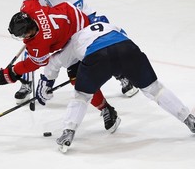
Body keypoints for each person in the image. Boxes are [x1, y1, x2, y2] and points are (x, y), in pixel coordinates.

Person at [37, 20, 195, 152]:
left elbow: (55, 62)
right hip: (126, 48)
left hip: (97, 56)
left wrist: (47, 82)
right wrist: (121, 70)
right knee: (155, 89)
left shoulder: (73, 41)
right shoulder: (104, 24)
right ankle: (189, 120)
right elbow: (123, 35)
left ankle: (68, 132)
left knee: (82, 96)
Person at [0, 0, 120, 133]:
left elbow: (35, 63)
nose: (22, 38)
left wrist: (12, 73)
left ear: (29, 31)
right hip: (73, 14)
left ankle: (106, 107)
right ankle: (119, 74)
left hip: (79, 35)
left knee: (79, 80)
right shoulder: (29, 8)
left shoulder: (40, 43)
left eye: (23, 35)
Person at [14, 0, 138, 104]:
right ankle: (26, 84)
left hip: (74, 20)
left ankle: (121, 75)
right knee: (32, 47)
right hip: (45, 17)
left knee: (97, 45)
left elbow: (75, 25)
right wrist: (30, 8)